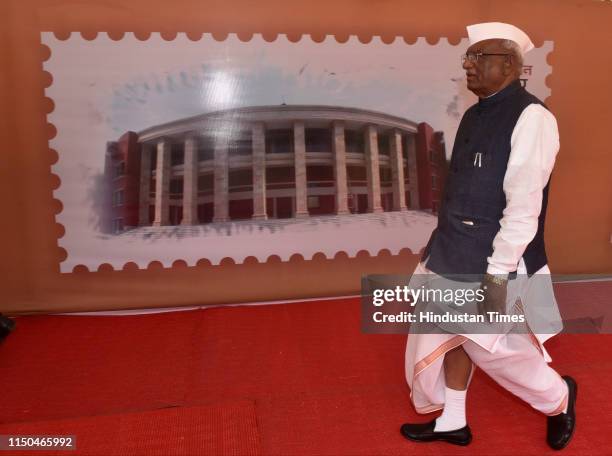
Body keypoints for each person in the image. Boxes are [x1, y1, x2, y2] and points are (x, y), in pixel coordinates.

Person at [400, 22, 577, 450]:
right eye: (468, 57)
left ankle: (559, 399)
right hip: (450, 252)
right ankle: (452, 422)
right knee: (447, 336)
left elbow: (523, 209)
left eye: (480, 57)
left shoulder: (533, 118)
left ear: (511, 64)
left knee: (498, 352)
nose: (469, 65)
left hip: (496, 261)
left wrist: (497, 275)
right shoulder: (474, 114)